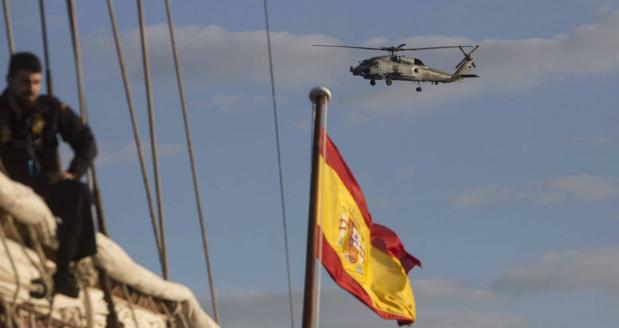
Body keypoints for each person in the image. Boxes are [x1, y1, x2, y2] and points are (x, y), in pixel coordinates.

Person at [0, 52, 97, 298]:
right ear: (9, 80)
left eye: (35, 83)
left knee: (79, 193)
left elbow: (86, 142)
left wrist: (72, 172)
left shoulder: (51, 110)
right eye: (24, 82)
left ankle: (66, 270)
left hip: (46, 184)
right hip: (11, 185)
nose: (30, 89)